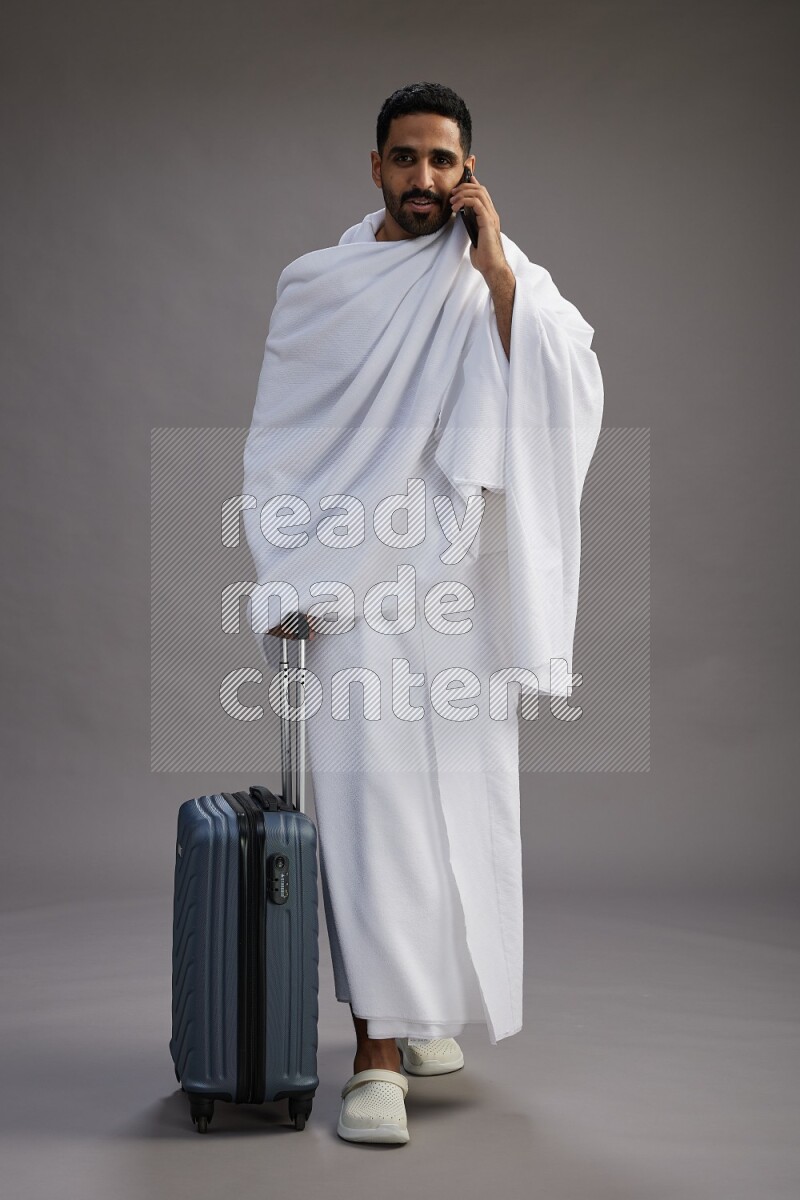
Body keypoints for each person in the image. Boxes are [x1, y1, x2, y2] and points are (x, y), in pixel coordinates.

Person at [242, 81, 604, 1145]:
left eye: (443, 163)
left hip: (453, 588)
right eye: (405, 160)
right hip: (352, 587)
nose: (424, 182)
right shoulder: (320, 285)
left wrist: (494, 267)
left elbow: (563, 384)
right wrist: (286, 572)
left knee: (459, 803)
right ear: (374, 168)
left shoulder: (499, 277)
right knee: (368, 811)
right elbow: (281, 441)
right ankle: (374, 1054)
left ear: (469, 171)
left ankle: (423, 1010)